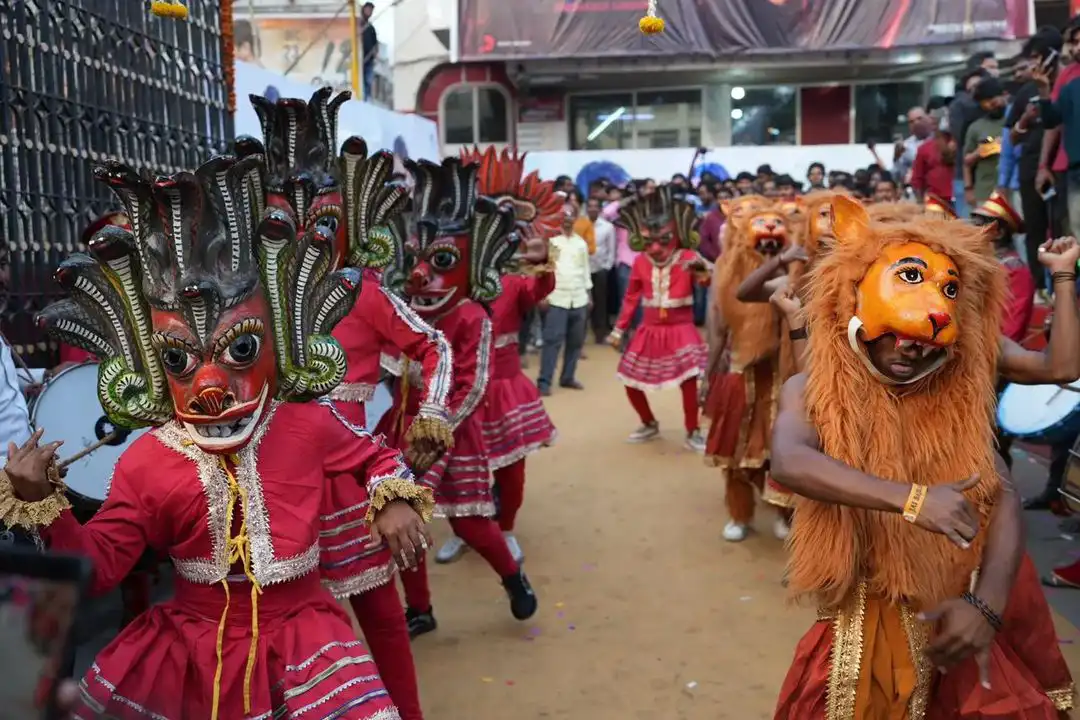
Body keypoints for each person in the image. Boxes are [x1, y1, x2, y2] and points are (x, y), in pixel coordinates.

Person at [3, 152, 432, 719]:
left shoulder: (302, 422)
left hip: (307, 639)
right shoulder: (146, 462)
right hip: (194, 656)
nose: (210, 385)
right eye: (180, 359)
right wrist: (44, 505)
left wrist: (394, 496)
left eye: (240, 350)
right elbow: (100, 566)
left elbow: (374, 459)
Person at [772, 195, 1074, 718]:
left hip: (950, 611)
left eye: (926, 340)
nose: (912, 348)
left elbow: (1000, 490)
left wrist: (988, 606)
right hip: (862, 616)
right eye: (895, 335)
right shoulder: (812, 387)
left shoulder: (957, 384)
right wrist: (912, 499)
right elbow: (790, 461)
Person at [245, 89, 451, 719]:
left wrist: (432, 415)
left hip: (352, 479)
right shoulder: (243, 304)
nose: (307, 240)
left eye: (324, 225)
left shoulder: (361, 293)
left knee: (382, 616)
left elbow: (434, 344)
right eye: (286, 224)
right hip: (269, 482)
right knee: (273, 629)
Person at [376, 156, 539, 638]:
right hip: (402, 429)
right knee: (403, 525)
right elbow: (392, 362)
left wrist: (436, 429)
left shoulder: (472, 316)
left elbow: (471, 385)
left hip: (453, 435)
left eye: (441, 261)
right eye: (415, 260)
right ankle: (421, 608)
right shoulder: (404, 308)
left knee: (469, 523)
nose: (421, 274)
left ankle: (513, 577)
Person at [439, 146, 561, 566]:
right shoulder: (448, 283)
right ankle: (463, 531)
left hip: (507, 389)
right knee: (458, 470)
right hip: (458, 393)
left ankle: (504, 530)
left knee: (510, 471)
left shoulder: (513, 281)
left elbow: (539, 293)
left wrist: (543, 263)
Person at [704, 204, 796, 541]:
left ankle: (785, 513)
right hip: (738, 368)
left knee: (783, 446)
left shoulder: (796, 266)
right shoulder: (725, 266)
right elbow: (716, 322)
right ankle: (740, 514)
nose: (769, 236)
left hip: (781, 369)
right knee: (735, 447)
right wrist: (709, 371)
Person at [607, 184, 709, 452]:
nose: (654, 248)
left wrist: (703, 270)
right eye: (648, 241)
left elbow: (707, 283)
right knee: (629, 380)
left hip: (682, 327)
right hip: (649, 329)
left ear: (675, 236)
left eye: (662, 240)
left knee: (689, 382)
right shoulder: (640, 262)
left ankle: (693, 430)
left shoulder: (689, 257)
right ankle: (649, 423)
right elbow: (630, 298)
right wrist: (619, 329)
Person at [1010, 29, 1064, 282]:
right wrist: (1025, 119)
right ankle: (1039, 285)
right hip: (1031, 169)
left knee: (1064, 228)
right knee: (1035, 229)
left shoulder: (1068, 82)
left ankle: (1064, 284)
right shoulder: (1026, 91)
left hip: (1063, 166)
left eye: (1035, 56)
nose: (1032, 63)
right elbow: (1012, 137)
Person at [537, 210, 591, 395]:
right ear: (559, 221)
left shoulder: (580, 243)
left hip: (579, 298)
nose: (567, 222)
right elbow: (543, 270)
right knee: (552, 341)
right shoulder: (551, 242)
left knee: (575, 342)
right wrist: (542, 295)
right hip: (556, 298)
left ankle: (568, 377)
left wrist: (588, 294)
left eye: (570, 219)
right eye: (564, 219)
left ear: (575, 220)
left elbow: (585, 270)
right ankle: (544, 382)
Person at [950, 65, 992, 215]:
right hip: (965, 176)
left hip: (992, 176)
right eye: (972, 88)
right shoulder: (959, 106)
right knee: (967, 224)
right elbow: (959, 135)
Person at [963, 76, 1007, 208]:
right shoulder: (976, 127)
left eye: (992, 101)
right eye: (984, 103)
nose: (989, 106)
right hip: (984, 191)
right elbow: (966, 161)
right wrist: (968, 188)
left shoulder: (1014, 119)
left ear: (1003, 96)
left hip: (1010, 189)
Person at [910, 108, 956, 204]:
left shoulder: (959, 143)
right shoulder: (924, 148)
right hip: (935, 202)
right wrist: (920, 204)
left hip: (960, 197)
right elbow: (917, 180)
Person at [588, 196, 617, 343]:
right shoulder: (580, 225)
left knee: (600, 302)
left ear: (599, 209)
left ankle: (600, 333)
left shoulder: (607, 227)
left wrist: (606, 267)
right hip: (583, 269)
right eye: (590, 206)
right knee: (585, 302)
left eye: (595, 206)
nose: (592, 208)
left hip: (600, 269)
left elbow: (611, 250)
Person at [893, 106, 932, 185]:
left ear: (928, 118)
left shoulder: (940, 139)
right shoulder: (906, 146)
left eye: (919, 118)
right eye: (911, 121)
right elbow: (897, 175)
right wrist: (896, 157)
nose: (916, 123)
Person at [360, 1, 377, 100]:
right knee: (361, 81)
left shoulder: (371, 28)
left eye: (371, 10)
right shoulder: (358, 24)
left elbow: (375, 44)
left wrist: (375, 53)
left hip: (369, 60)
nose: (369, 12)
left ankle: (366, 99)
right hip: (359, 59)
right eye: (368, 9)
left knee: (368, 82)